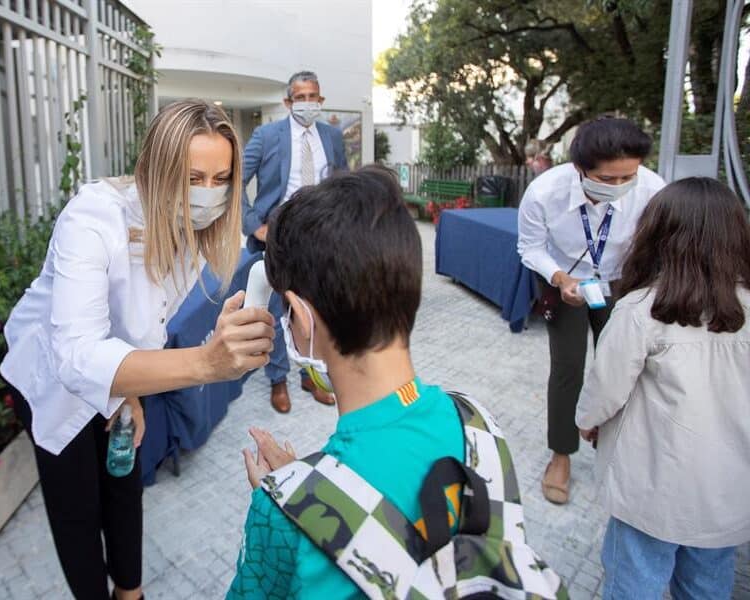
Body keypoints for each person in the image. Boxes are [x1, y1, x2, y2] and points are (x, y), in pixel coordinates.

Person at [226, 166, 565, 599]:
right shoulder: (478, 420)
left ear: (302, 316)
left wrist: (287, 503)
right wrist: (301, 489)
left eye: (285, 313)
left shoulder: (279, 513)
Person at [0, 100, 275, 600]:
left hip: (119, 374)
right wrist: (207, 363)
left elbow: (147, 328)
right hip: (51, 379)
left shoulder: (194, 229)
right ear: (157, 167)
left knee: (124, 480)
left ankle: (131, 592)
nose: (208, 194)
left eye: (221, 178)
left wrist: (131, 398)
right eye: (194, 176)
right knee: (77, 505)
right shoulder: (93, 215)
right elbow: (77, 356)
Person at [575, 177, 750, 599]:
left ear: (657, 236)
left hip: (650, 490)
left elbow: (606, 388)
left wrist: (586, 421)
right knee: (708, 584)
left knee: (635, 582)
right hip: (729, 490)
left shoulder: (641, 311)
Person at [517, 116, 665, 505]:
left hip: (622, 283)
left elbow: (661, 246)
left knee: (623, 366)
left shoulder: (652, 189)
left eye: (627, 178)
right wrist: (560, 278)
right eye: (608, 179)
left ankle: (615, 444)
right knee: (568, 368)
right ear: (580, 169)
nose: (620, 187)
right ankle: (561, 454)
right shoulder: (543, 192)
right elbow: (530, 248)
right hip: (566, 282)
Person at [241, 70, 348, 413]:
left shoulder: (332, 136)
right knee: (276, 310)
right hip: (277, 238)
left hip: (318, 238)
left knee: (313, 311)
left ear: (321, 100)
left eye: (312, 96)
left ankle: (309, 375)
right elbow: (235, 181)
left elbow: (342, 184)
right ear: (288, 102)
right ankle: (278, 381)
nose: (307, 103)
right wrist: (253, 224)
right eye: (300, 97)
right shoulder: (266, 135)